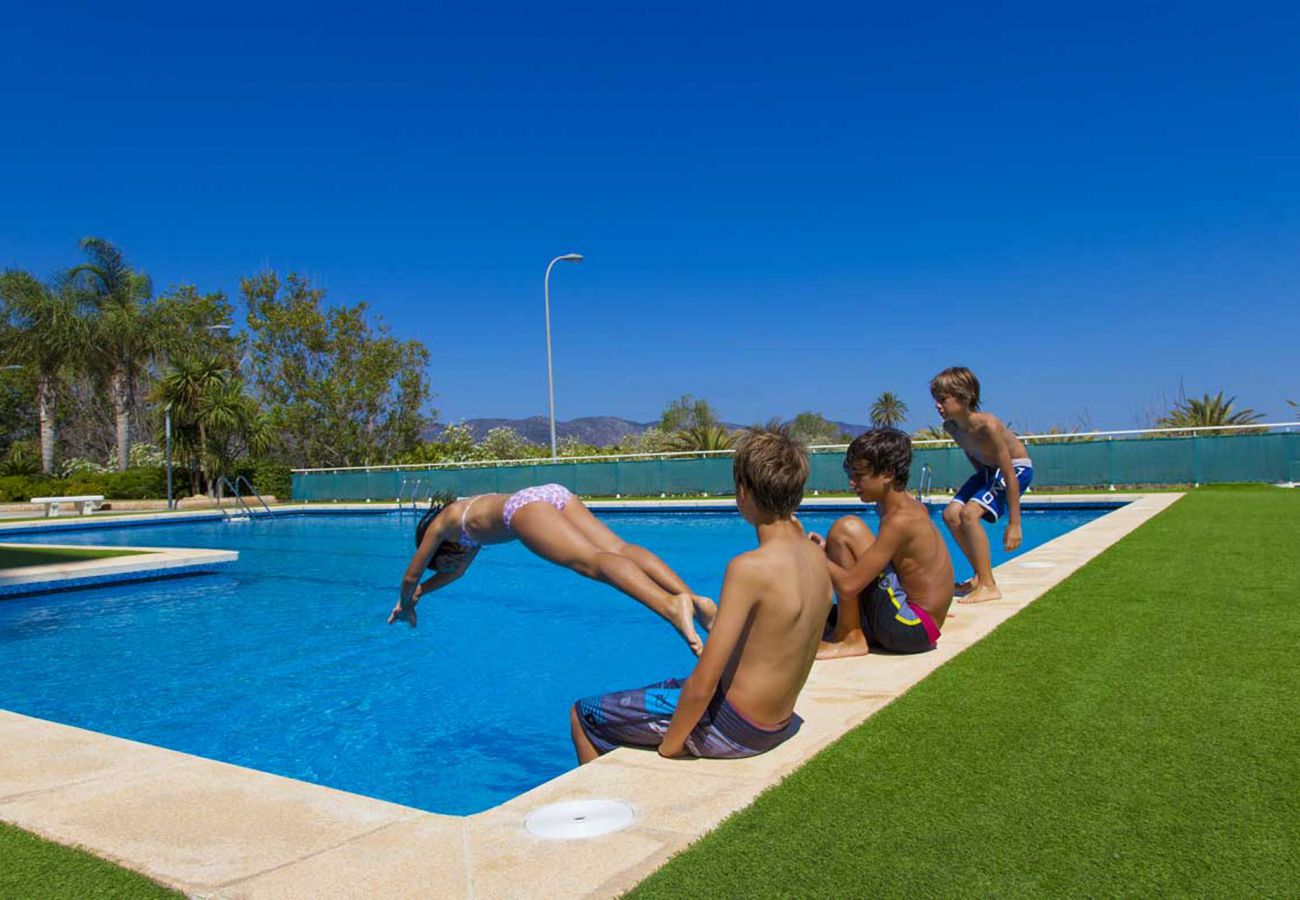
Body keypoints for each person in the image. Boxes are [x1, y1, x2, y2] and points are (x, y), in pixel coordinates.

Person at [570, 427, 832, 763]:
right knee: (663, 688)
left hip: (734, 728)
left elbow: (703, 682)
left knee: (584, 715)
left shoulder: (749, 568)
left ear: (743, 492)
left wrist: (672, 746)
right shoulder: (816, 557)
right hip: (777, 723)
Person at [388, 484, 716, 654]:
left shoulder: (442, 526)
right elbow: (456, 573)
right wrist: (422, 593)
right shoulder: (464, 523)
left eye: (444, 561)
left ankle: (671, 606)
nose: (451, 565)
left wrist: (406, 601)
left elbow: (410, 575)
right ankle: (696, 603)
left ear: (439, 549)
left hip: (522, 510)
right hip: (550, 493)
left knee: (591, 562)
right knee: (619, 549)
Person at [815, 428, 954, 659]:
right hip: (918, 624)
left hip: (911, 628)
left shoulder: (900, 520)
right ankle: (847, 629)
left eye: (859, 475)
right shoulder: (904, 507)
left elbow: (849, 585)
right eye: (851, 473)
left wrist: (814, 555)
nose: (852, 482)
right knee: (816, 616)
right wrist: (828, 549)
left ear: (888, 474)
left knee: (846, 528)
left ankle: (850, 638)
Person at [931, 366, 1034, 603]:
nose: (937, 405)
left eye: (943, 399)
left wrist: (1015, 523)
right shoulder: (951, 427)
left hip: (1016, 469)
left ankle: (989, 586)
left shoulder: (989, 426)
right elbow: (971, 452)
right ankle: (979, 576)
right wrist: (982, 483)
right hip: (989, 470)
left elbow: (1009, 473)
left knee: (970, 514)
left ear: (964, 398)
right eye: (936, 399)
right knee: (950, 515)